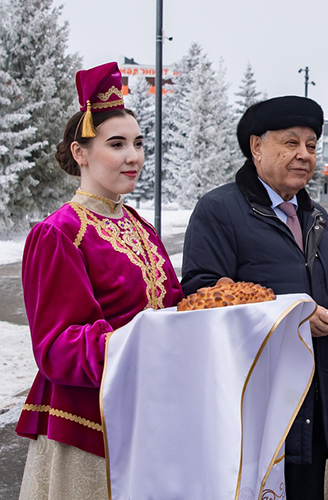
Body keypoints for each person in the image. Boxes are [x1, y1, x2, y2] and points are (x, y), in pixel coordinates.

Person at [180, 95, 328, 500]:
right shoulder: (219, 210)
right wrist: (293, 314)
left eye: (312, 146)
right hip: (256, 402)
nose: (304, 155)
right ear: (256, 146)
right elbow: (202, 296)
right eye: (291, 143)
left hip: (315, 398)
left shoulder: (315, 214)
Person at [15, 62, 183, 499]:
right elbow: (57, 347)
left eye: (139, 144)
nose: (134, 156)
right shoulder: (59, 232)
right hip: (89, 427)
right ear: (80, 153)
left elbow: (173, 307)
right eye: (117, 144)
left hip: (150, 410)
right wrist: (144, 336)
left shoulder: (137, 225)